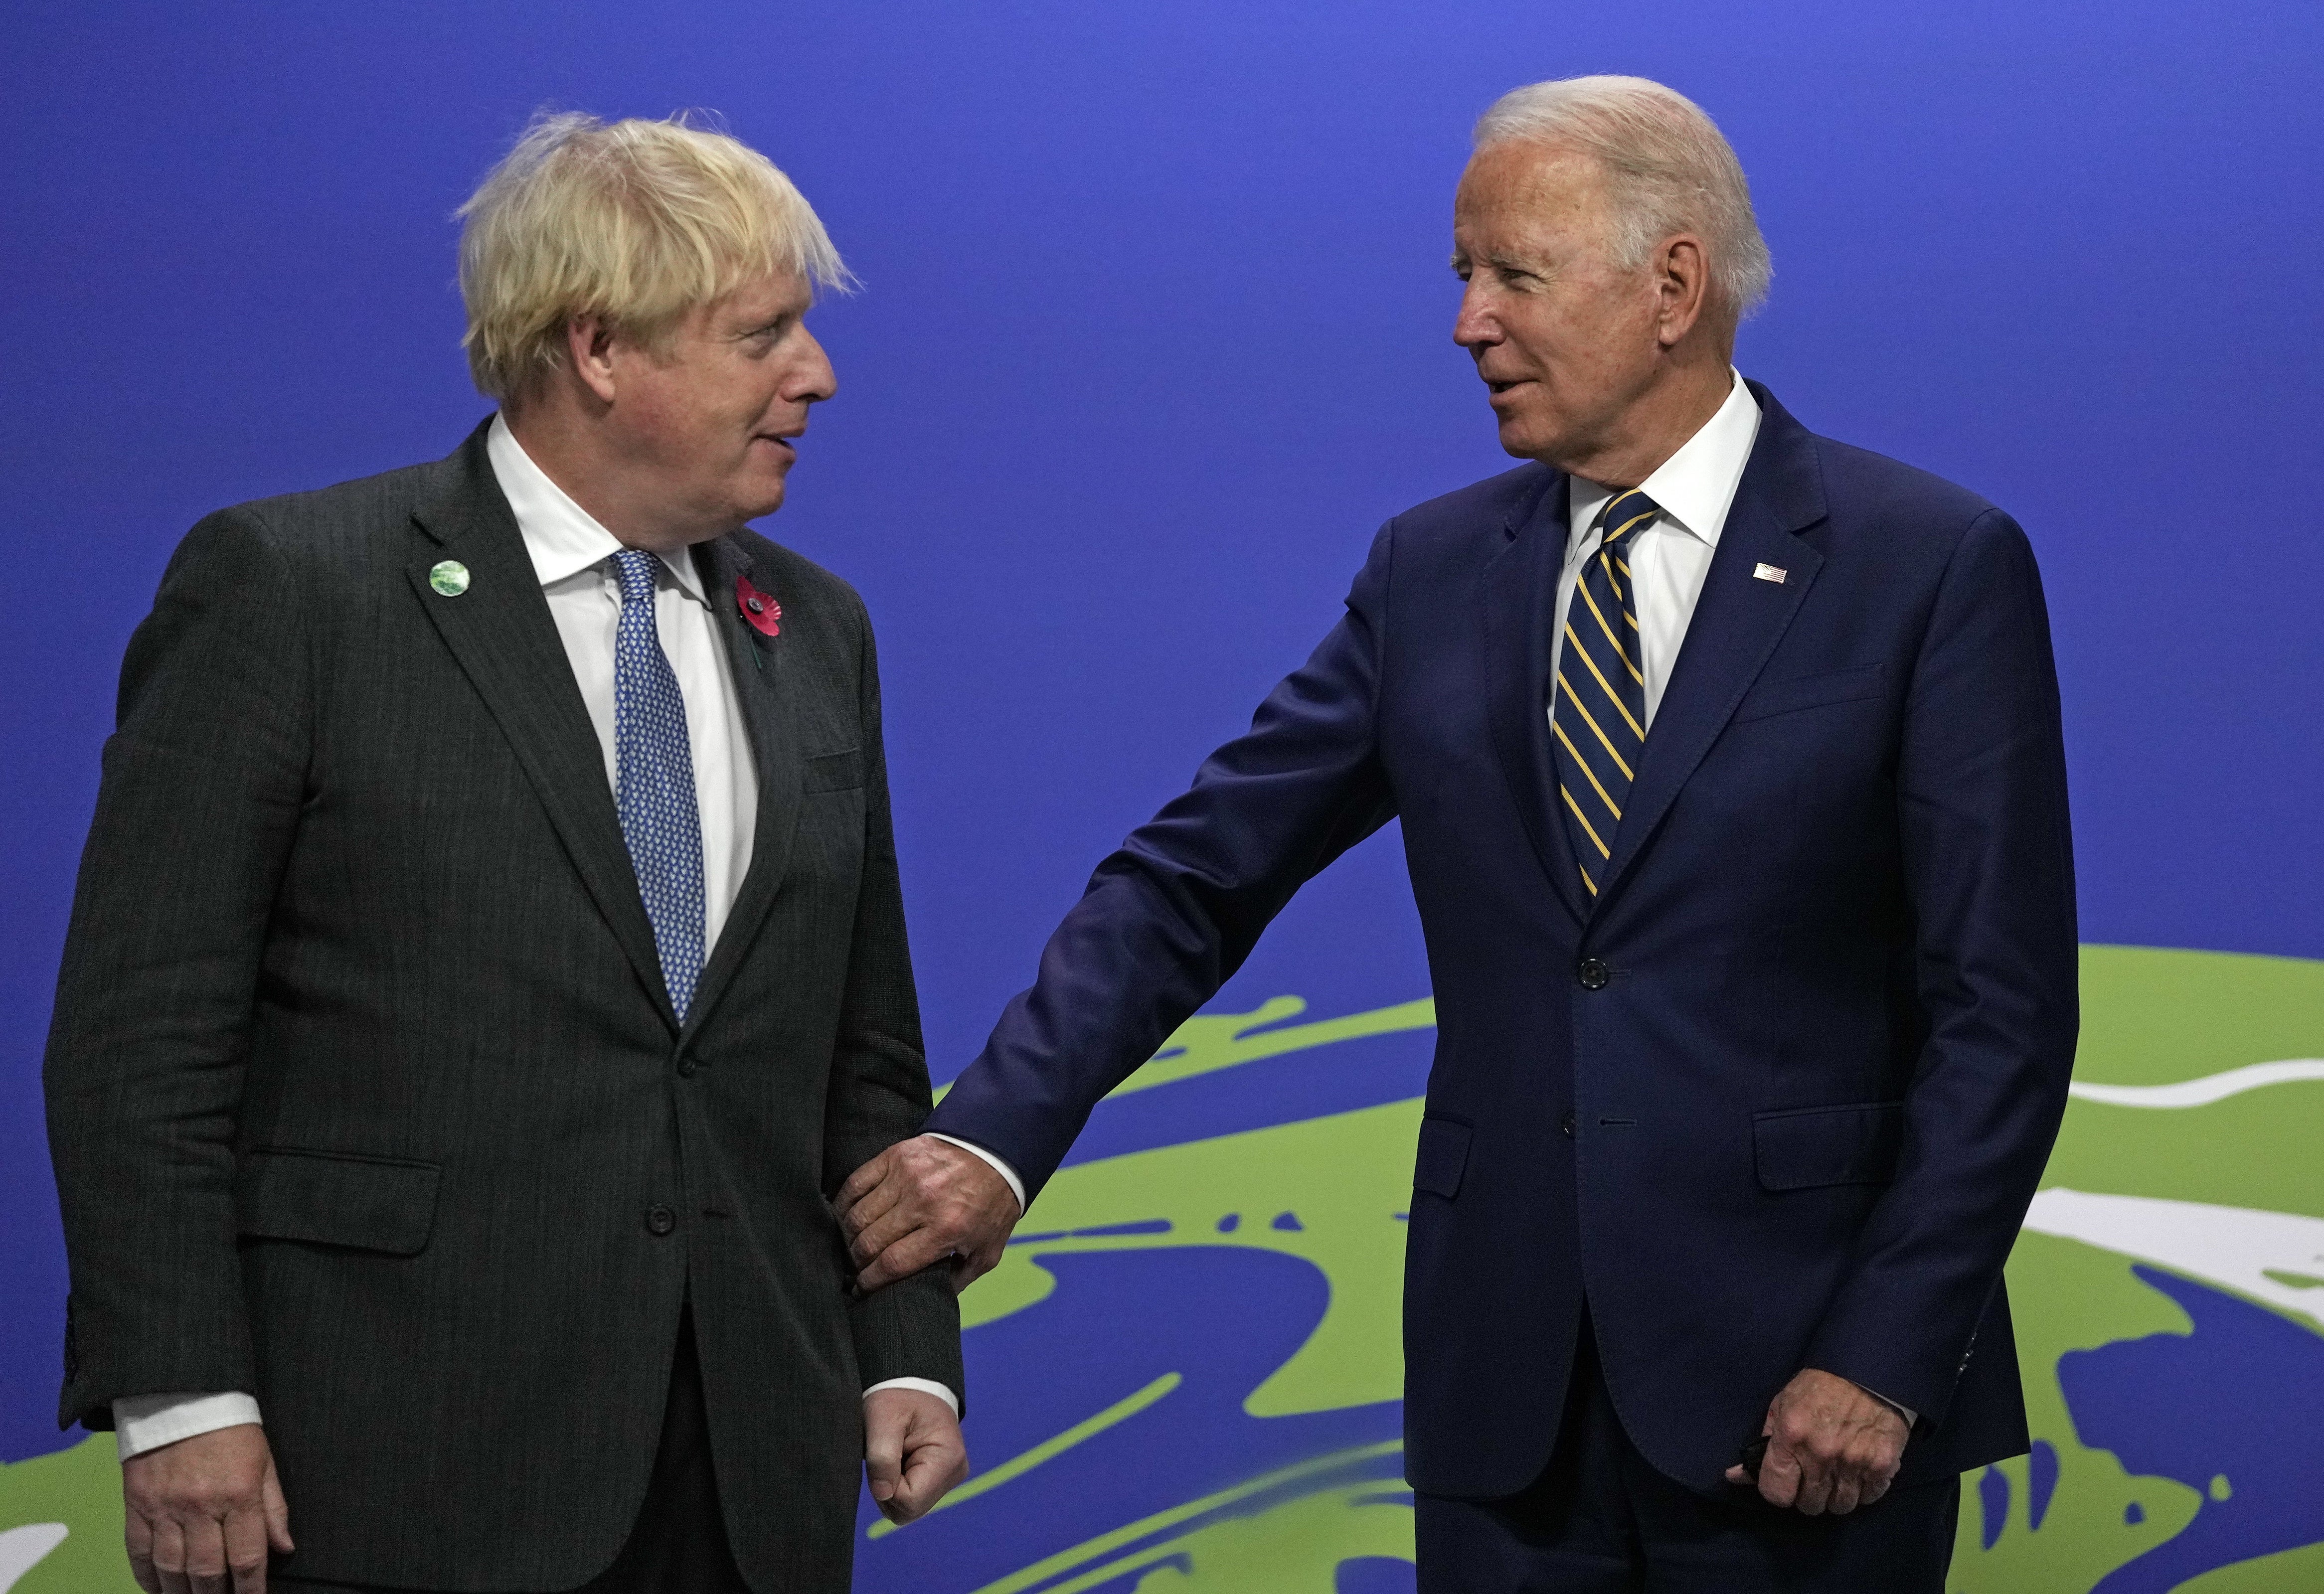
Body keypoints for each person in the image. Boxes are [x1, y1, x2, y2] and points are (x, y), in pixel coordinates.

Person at [836, 75, 2076, 1591]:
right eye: (1462, 277)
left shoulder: (1925, 565)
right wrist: (997, 1131)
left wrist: (1886, 1358)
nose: (1467, 322)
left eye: (1514, 277)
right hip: (1511, 1417)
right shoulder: (1433, 572)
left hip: (1805, 1408)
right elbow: (1195, 875)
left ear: (1673, 285)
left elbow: (2000, 1020)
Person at [43, 112, 967, 1594]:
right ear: (600, 348)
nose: (818, 375)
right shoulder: (295, 592)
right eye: (765, 335)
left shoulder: (816, 629)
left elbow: (861, 1045)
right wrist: (181, 1397)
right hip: (389, 1470)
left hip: (748, 1481)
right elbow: (142, 1041)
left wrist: (904, 1354)